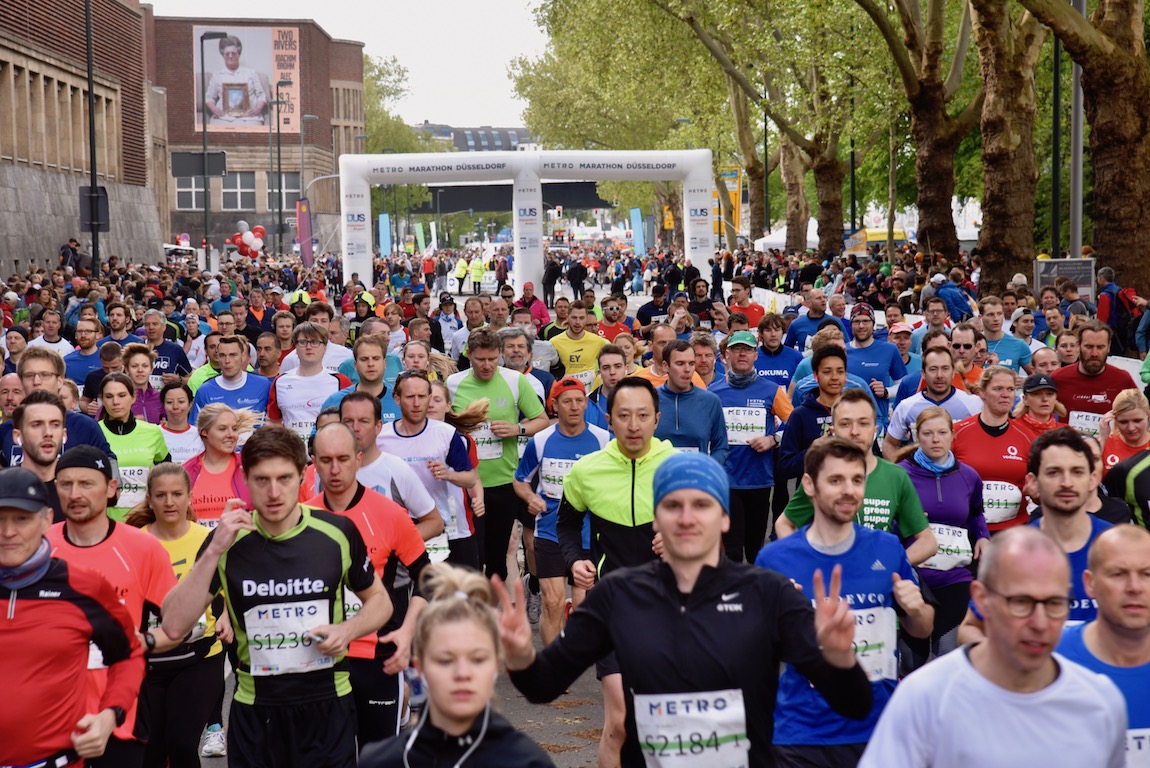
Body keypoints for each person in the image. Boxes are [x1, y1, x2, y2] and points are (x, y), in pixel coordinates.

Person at [502, 450, 873, 768]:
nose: (686, 517)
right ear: (656, 519)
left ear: (725, 518)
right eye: (672, 505)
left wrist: (840, 659)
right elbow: (543, 686)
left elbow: (854, 704)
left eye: (702, 504)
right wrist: (520, 657)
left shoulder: (768, 594)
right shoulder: (619, 595)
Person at [160, 426, 392, 768]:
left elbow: (381, 602)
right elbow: (174, 624)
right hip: (257, 711)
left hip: (327, 704)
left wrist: (347, 631)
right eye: (261, 479)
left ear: (302, 475)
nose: (273, 492)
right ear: (244, 478)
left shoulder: (336, 533)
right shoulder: (227, 541)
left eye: (284, 478)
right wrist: (212, 553)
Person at [860, 526, 1126, 768]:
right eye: (1021, 602)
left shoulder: (1100, 701)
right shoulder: (924, 697)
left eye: (1055, 603)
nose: (1040, 623)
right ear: (981, 599)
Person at [757, 437, 933, 765]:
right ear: (809, 485)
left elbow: (921, 631)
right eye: (836, 480)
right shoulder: (775, 559)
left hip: (877, 727)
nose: (848, 490)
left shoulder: (888, 548)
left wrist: (917, 610)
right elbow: (757, 653)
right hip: (802, 733)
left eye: (856, 480)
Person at [0, 465, 145, 768]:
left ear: (46, 521)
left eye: (22, 519)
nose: (8, 532)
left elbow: (128, 654)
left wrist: (110, 716)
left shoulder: (82, 587)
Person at [48, 445, 181, 768]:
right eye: (66, 484)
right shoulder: (40, 546)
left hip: (122, 713)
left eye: (86, 483)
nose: (75, 493)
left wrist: (142, 642)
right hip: (51, 713)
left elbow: (176, 628)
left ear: (111, 488)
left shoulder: (142, 548)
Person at [305, 423, 432, 748]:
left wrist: (407, 633)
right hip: (320, 659)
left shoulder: (389, 514)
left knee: (378, 757)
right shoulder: (303, 518)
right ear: (314, 462)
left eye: (344, 459)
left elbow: (427, 580)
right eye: (326, 459)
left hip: (378, 656)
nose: (335, 469)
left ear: (359, 460)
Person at [360, 564, 555, 767]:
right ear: (420, 667)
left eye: (477, 659)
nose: (462, 674)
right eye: (446, 660)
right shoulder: (380, 761)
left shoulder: (527, 762)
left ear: (496, 664)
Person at [124, 463, 225, 768]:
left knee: (181, 744)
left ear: (189, 497)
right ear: (150, 499)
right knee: (151, 751)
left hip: (199, 657)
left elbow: (228, 587)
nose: (169, 502)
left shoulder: (207, 539)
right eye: (161, 495)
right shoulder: (133, 541)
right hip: (150, 660)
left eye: (177, 494)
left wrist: (226, 618)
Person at [777, 389, 938, 565]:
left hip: (878, 588)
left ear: (875, 430)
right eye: (845, 424)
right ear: (833, 430)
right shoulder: (820, 475)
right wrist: (802, 564)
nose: (855, 431)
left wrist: (890, 567)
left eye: (863, 423)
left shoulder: (896, 476)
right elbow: (785, 524)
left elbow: (927, 542)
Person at [446, 328, 548, 580]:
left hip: (504, 483)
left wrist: (517, 429)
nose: (487, 365)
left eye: (493, 359)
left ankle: (494, 612)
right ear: (469, 355)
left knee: (497, 557)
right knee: (472, 556)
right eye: (481, 359)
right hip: (468, 484)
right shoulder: (454, 383)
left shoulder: (515, 380)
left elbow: (542, 420)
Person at [513, 378, 610, 641]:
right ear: (555, 405)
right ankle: (554, 674)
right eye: (567, 401)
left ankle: (573, 649)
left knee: (583, 608)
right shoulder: (541, 440)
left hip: (589, 535)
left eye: (580, 400)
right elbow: (520, 480)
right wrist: (530, 497)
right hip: (550, 531)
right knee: (552, 603)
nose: (575, 407)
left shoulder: (603, 440)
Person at [898, 407, 989, 657]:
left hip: (955, 575)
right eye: (927, 433)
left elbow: (975, 513)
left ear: (952, 435)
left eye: (941, 432)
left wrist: (983, 536)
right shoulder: (901, 475)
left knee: (947, 651)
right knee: (912, 657)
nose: (935, 439)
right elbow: (888, 523)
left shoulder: (969, 476)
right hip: (915, 576)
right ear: (917, 436)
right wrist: (909, 522)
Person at [1057, 526, 1150, 764]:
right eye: (1118, 574)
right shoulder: (1051, 663)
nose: (1134, 587)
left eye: (1147, 574)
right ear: (1090, 583)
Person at [377, 370, 478, 566]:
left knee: (434, 591)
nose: (416, 403)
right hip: (394, 527)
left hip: (436, 526)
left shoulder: (446, 434)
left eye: (422, 397)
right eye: (410, 397)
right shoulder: (381, 437)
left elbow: (470, 479)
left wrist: (448, 474)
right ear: (397, 399)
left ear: (429, 398)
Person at [709, 330, 793, 561]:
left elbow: (794, 426)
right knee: (732, 550)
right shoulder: (713, 393)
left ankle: (756, 593)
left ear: (756, 355)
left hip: (759, 480)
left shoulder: (772, 390)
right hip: (726, 481)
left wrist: (773, 439)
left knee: (756, 548)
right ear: (726, 355)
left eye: (747, 349)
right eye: (736, 349)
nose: (742, 354)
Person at [337, 391, 445, 544]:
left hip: (389, 566)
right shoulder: (326, 471)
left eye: (364, 421)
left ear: (378, 427)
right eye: (348, 421)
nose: (355, 428)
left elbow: (435, 523)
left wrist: (393, 545)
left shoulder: (397, 469)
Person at [953, 365, 1033, 531]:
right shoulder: (957, 432)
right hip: (967, 530)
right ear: (982, 393)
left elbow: (1038, 485)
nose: (1005, 395)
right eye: (998, 389)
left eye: (1011, 389)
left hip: (1013, 530)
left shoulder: (1027, 437)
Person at [884, 346, 982, 459]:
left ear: (953, 372)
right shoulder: (906, 407)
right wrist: (901, 473)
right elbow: (889, 444)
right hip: (919, 474)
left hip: (958, 473)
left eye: (945, 368)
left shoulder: (973, 404)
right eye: (933, 369)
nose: (939, 375)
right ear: (923, 374)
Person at [97, 372, 170, 520]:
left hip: (145, 520)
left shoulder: (153, 432)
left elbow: (168, 474)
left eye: (122, 395)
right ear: (102, 400)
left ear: (133, 397)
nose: (116, 402)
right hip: (105, 521)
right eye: (109, 396)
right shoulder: (94, 432)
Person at [268, 322, 352, 440]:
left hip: (330, 451)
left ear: (325, 347)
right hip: (292, 453)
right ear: (295, 347)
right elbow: (274, 422)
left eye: (315, 342)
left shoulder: (341, 381)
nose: (308, 347)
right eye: (302, 342)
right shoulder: (280, 382)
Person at [1053, 321, 1138, 436]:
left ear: (1108, 347)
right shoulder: (1058, 378)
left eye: (1100, 347)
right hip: (1068, 449)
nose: (1094, 353)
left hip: (1109, 450)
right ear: (1078, 345)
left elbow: (1140, 416)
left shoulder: (1122, 379)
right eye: (1089, 346)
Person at [652, 339, 729, 461]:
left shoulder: (711, 401)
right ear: (666, 366)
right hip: (656, 478)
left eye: (691, 364)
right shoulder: (650, 399)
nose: (687, 369)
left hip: (697, 477)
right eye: (680, 363)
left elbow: (721, 447)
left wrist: (707, 469)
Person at [184, 403, 256, 526]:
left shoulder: (250, 467)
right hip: (200, 544)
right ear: (205, 433)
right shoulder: (186, 471)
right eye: (222, 429)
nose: (231, 435)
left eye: (234, 429)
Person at [845, 302, 906, 427]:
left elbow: (903, 385)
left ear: (873, 323)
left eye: (866, 321)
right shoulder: (842, 351)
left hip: (877, 422)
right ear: (851, 325)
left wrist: (886, 391)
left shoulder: (889, 350)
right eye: (857, 321)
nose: (861, 326)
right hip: (847, 420)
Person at [190, 335, 271, 421]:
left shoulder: (263, 385)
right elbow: (195, 428)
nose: (227, 361)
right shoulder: (205, 391)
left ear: (243, 356)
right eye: (222, 355)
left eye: (233, 355)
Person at [203, 35, 269, 124]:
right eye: (227, 54)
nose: (230, 56)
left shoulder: (251, 73)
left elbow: (261, 96)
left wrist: (258, 109)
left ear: (239, 54)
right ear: (223, 55)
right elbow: (209, 98)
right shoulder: (217, 75)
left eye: (233, 53)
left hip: (249, 118)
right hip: (223, 118)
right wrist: (214, 109)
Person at [1099, 388, 1150, 473]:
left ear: (1148, 415)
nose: (1131, 428)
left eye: (1137, 421)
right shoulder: (1104, 443)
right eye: (1123, 422)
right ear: (1114, 418)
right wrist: (1102, 439)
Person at [756, 312, 803, 388]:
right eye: (768, 330)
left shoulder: (796, 357)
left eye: (777, 330)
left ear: (783, 332)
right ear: (761, 333)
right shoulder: (752, 357)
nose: (773, 334)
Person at [121, 343, 163, 424]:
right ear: (126, 369)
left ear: (151, 369)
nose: (140, 370)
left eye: (145, 366)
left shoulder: (161, 398)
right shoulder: (119, 398)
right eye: (134, 366)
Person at [65, 315, 104, 384]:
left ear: (98, 335)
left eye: (88, 331)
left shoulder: (105, 360)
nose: (83, 335)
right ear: (75, 335)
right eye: (80, 331)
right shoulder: (66, 361)